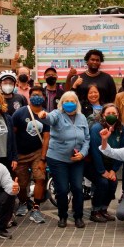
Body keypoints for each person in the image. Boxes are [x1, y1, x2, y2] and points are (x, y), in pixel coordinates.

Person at [37, 90, 90, 228]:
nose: (69, 104)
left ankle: (78, 216)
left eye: (72, 101)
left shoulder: (82, 117)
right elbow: (49, 118)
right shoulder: (57, 114)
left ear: (77, 103)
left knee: (78, 188)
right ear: (61, 103)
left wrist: (83, 153)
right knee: (62, 189)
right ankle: (62, 216)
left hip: (76, 159)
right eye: (66, 101)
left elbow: (87, 139)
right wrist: (43, 115)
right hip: (58, 158)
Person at [11, 85, 50, 223]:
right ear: (29, 97)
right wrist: (14, 154)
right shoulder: (20, 113)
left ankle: (36, 207)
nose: (36, 97)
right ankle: (23, 202)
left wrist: (43, 159)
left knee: (40, 178)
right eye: (34, 95)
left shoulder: (46, 115)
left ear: (44, 98)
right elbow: (12, 134)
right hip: (20, 153)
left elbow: (46, 138)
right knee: (22, 183)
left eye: (39, 95)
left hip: (37, 152)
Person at [88, 103, 124, 222]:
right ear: (103, 115)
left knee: (113, 183)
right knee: (103, 183)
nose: (111, 115)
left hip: (111, 165)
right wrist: (102, 171)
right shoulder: (96, 128)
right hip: (94, 164)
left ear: (118, 115)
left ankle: (104, 209)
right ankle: (95, 211)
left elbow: (122, 150)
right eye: (108, 113)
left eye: (114, 113)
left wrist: (113, 170)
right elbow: (95, 151)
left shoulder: (121, 129)